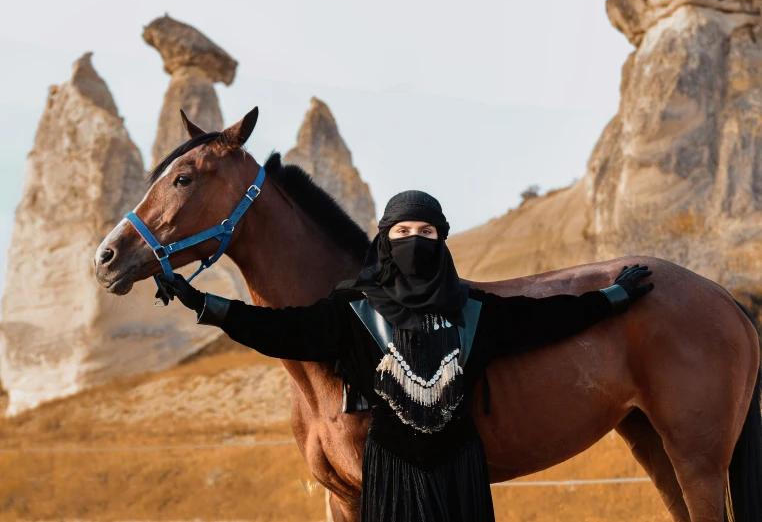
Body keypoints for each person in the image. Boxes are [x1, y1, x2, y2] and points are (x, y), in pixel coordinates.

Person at [156, 190, 654, 522]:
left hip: (461, 477)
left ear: (441, 240)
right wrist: (202, 302)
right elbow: (280, 329)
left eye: (426, 234)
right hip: (390, 478)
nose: (413, 242)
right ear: (383, 241)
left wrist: (613, 297)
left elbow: (546, 318)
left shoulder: (475, 311)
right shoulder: (353, 311)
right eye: (401, 234)